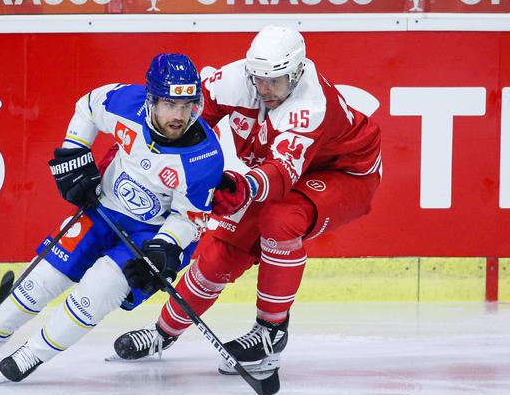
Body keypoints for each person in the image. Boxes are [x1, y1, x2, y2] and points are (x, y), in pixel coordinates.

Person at [114, 26, 382, 375]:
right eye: (258, 78)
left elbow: (282, 173)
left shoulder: (310, 105)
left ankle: (271, 332)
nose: (265, 89)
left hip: (345, 174)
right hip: (278, 175)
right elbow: (188, 121)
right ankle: (163, 332)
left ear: (298, 72)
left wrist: (243, 186)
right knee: (221, 250)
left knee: (281, 219)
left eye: (276, 81)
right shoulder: (235, 80)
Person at [0, 53, 224, 383]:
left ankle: (33, 353)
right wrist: (76, 151)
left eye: (187, 104)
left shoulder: (205, 157)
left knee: (98, 289)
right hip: (103, 209)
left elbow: (189, 219)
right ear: (151, 98)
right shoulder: (125, 102)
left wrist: (164, 248)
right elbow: (88, 107)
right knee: (47, 276)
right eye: (169, 104)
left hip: (149, 234)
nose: (179, 115)